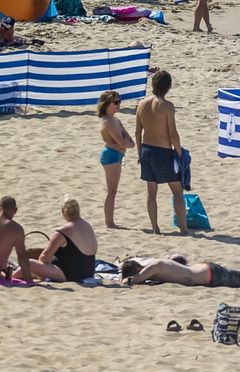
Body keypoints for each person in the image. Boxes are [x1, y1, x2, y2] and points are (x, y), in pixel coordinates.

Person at [135, 70, 187, 235]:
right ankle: (184, 229)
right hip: (162, 152)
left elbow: (137, 132)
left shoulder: (141, 103)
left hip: (146, 150)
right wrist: (179, 153)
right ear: (168, 87)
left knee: (151, 193)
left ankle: (155, 227)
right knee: (178, 191)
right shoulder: (167, 106)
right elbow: (173, 134)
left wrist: (139, 153)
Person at [12, 199, 97, 283]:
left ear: (63, 212)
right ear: (78, 211)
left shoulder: (64, 230)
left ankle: (11, 277)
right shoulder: (87, 226)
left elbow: (44, 257)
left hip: (70, 274)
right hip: (88, 272)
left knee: (29, 263)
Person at [98, 90, 135, 229]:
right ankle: (109, 222)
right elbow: (123, 142)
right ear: (107, 104)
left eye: (119, 101)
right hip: (111, 155)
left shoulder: (116, 120)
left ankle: (110, 221)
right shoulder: (108, 122)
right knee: (111, 191)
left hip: (116, 154)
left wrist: (124, 143)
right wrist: (123, 143)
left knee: (113, 191)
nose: (119, 104)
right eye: (116, 102)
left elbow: (130, 142)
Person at [121, 256, 240, 288]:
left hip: (210, 274)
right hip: (207, 272)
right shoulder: (153, 266)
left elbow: (137, 279)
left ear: (137, 270)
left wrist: (124, 280)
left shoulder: (153, 266)